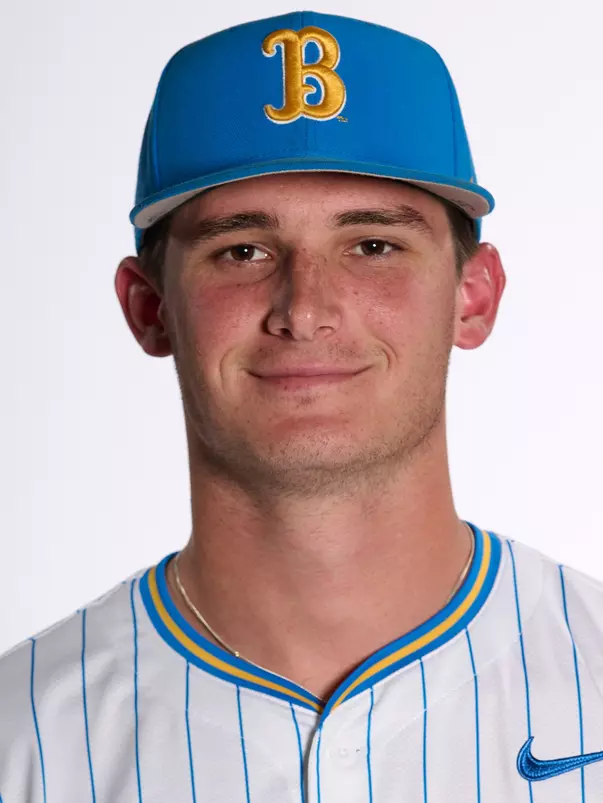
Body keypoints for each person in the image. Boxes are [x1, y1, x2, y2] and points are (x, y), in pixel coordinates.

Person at [1, 9, 602, 803]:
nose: (306, 308)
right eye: (241, 250)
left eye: (373, 245)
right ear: (150, 308)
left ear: (473, 296)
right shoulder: (19, 739)